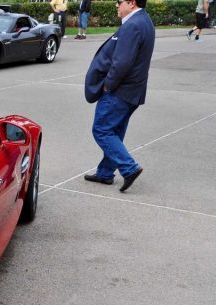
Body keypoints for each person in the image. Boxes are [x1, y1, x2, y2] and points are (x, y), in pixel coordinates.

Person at [84, 0, 154, 193]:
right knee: (114, 131)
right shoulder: (144, 20)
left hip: (120, 91)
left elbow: (122, 62)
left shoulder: (133, 25)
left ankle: (129, 168)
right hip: (133, 91)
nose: (116, 5)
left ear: (131, 3)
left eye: (119, 2)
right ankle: (105, 173)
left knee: (102, 130)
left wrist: (108, 85)